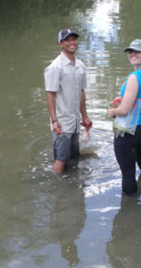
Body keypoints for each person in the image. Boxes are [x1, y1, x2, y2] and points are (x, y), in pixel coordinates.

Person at [107, 39, 141, 194]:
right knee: (139, 151)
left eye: (138, 51)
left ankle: (129, 208)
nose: (132, 54)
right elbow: (139, 99)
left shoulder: (134, 77)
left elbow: (125, 110)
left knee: (127, 173)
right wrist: (124, 99)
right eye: (130, 51)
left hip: (128, 131)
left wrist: (112, 112)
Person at [44, 28, 92, 174]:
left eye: (74, 39)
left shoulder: (81, 66)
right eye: (67, 40)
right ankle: (56, 190)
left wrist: (84, 116)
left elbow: (81, 92)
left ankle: (72, 190)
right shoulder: (55, 67)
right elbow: (50, 94)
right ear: (61, 43)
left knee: (74, 157)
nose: (72, 42)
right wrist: (54, 120)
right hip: (62, 122)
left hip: (75, 121)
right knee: (61, 158)